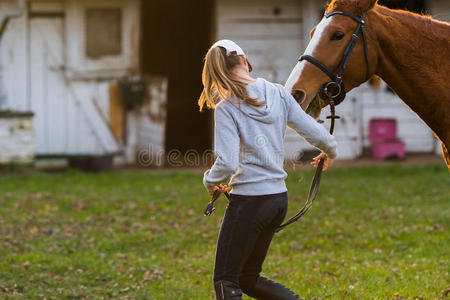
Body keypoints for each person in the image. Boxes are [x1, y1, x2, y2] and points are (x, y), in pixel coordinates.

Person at [198, 39, 337, 300]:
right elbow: (314, 131)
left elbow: (226, 163)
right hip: (277, 200)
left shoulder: (227, 107)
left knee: (226, 281)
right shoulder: (278, 93)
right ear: (246, 62)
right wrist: (329, 152)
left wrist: (209, 181)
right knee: (248, 279)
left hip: (250, 203)